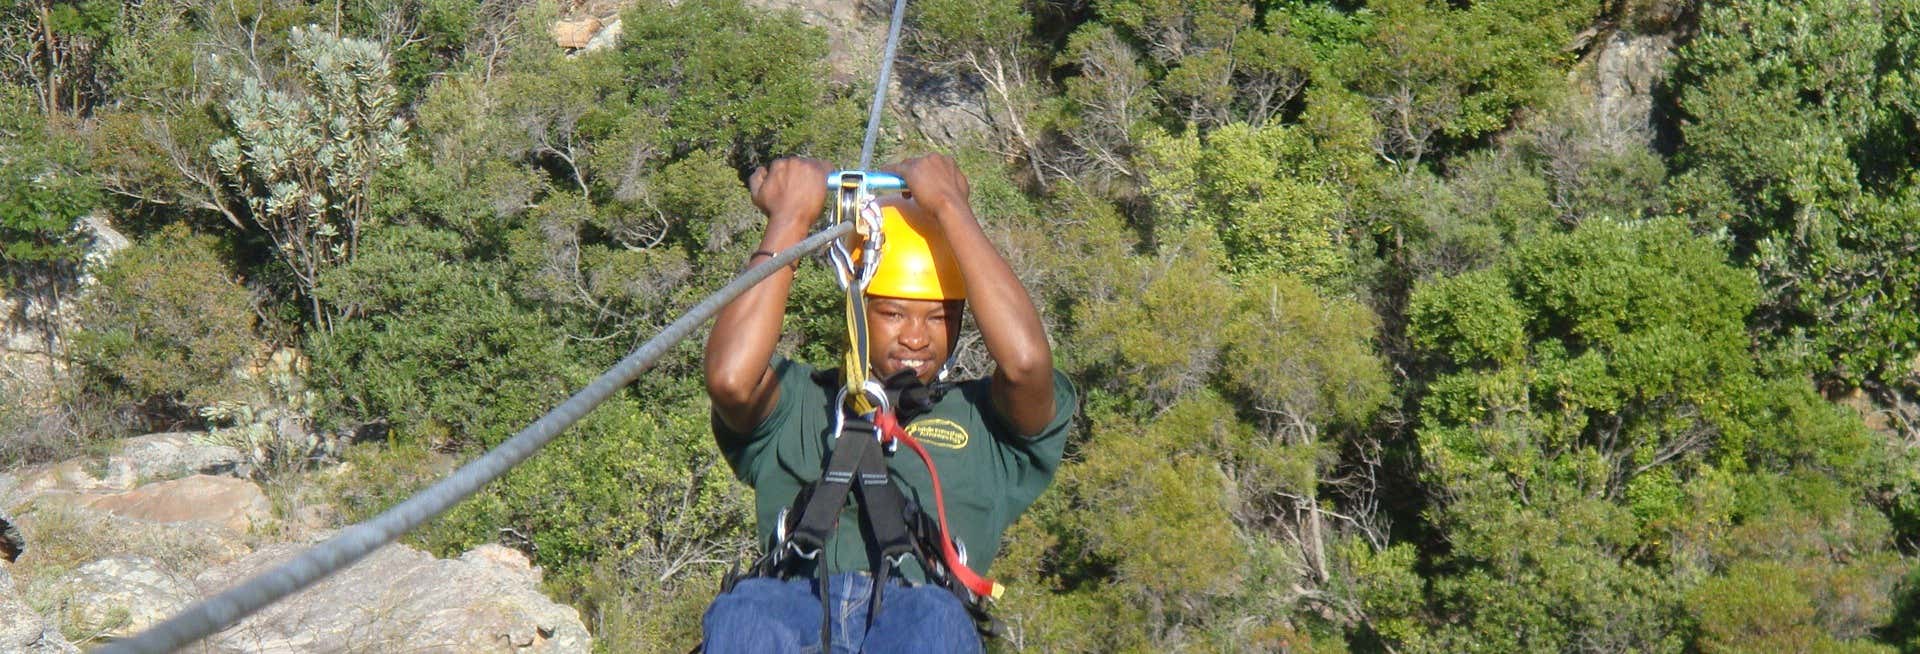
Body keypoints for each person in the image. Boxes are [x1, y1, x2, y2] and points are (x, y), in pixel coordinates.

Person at [700, 153, 1077, 653]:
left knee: (936, 617)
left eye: (939, 317)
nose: (917, 338)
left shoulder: (988, 423)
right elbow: (728, 379)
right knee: (744, 612)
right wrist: (789, 219)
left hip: (918, 618)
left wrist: (948, 205)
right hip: (790, 610)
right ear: (858, 308)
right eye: (894, 313)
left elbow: (1027, 364)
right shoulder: (797, 405)